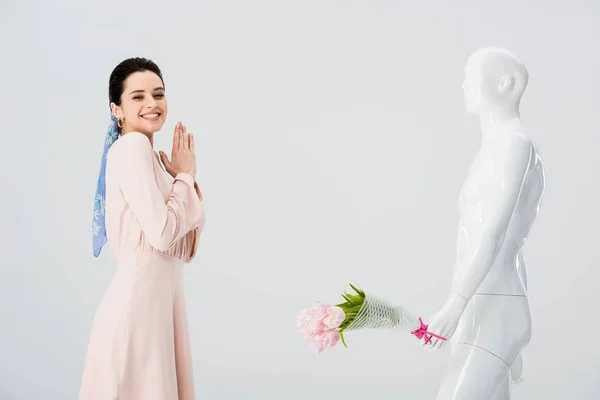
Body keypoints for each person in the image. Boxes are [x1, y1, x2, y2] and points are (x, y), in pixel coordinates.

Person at [79, 57, 205, 400]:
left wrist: (180, 176)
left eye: (159, 94)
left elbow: (187, 247)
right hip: (139, 311)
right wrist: (187, 176)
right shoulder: (132, 148)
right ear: (116, 109)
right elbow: (164, 233)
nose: (152, 103)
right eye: (138, 97)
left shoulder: (155, 161)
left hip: (160, 307)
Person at [424, 47, 545, 399]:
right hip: (487, 304)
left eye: (471, 75)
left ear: (504, 83)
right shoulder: (494, 147)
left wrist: (455, 303)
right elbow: (513, 248)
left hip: (491, 304)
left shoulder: (514, 146)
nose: (463, 84)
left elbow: (494, 233)